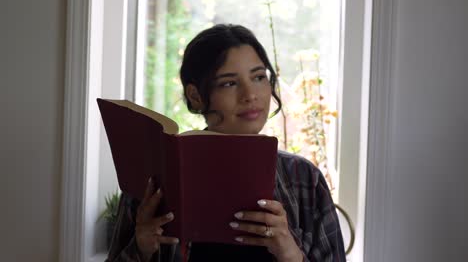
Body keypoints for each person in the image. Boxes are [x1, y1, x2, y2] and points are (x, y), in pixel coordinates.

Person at [106, 24, 346, 262]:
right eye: (229, 83)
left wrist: (290, 253)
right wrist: (140, 248)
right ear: (195, 96)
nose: (250, 94)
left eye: (259, 77)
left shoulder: (305, 179)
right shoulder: (155, 180)